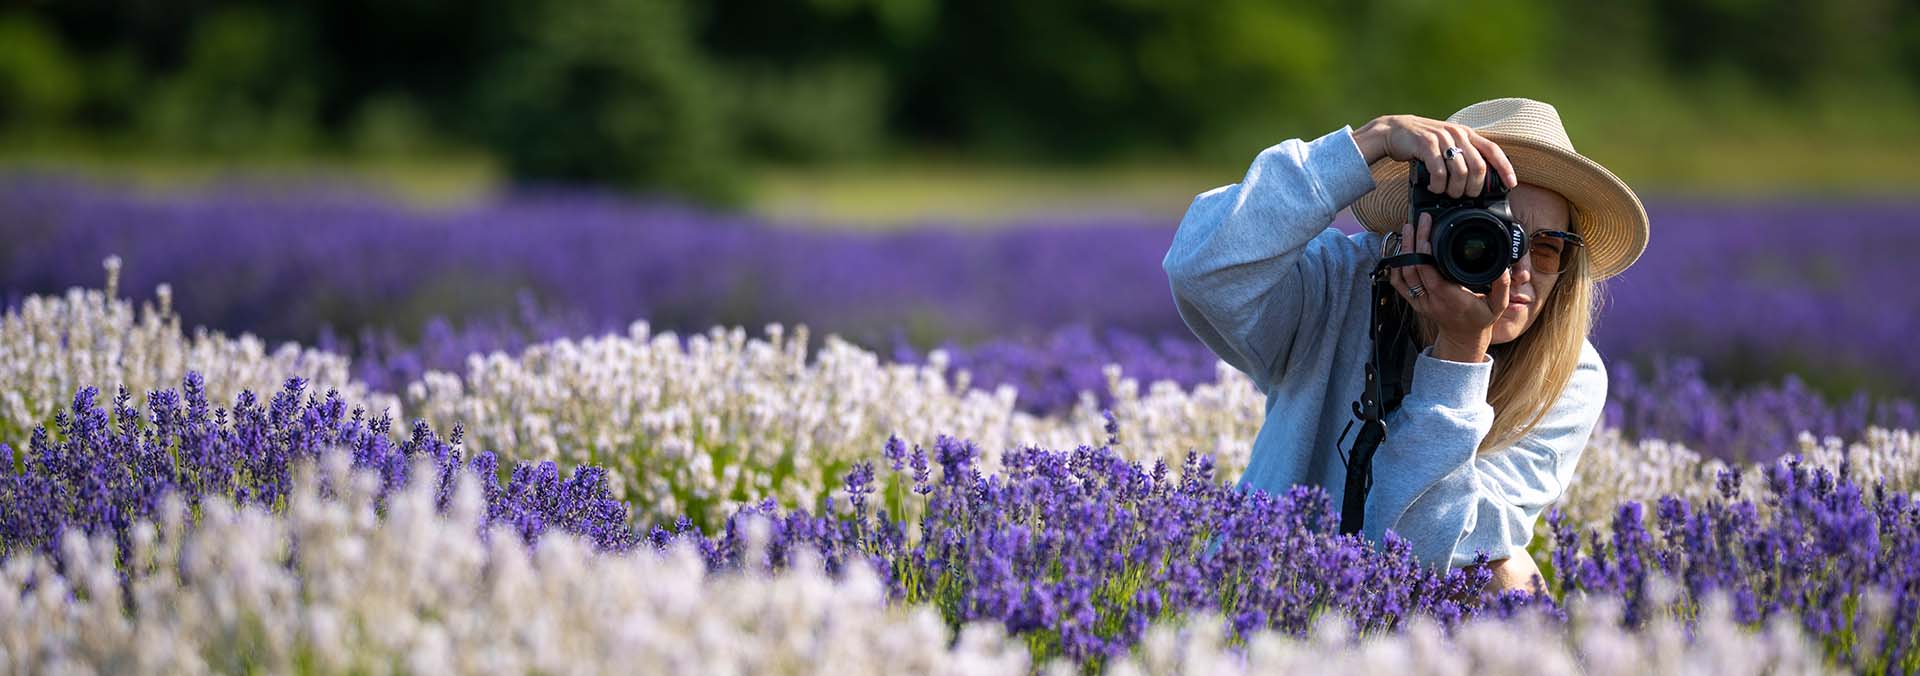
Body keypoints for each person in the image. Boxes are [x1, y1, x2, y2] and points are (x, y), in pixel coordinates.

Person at [1161, 98, 1649, 594]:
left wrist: (1460, 353)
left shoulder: (1567, 378)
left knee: (1509, 580)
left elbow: (1422, 550)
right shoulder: (1340, 284)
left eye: (1546, 248)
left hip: (1404, 641)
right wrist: (1364, 144)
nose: (1515, 269)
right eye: (1493, 235)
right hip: (1258, 603)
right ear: (1422, 226)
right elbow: (1202, 267)